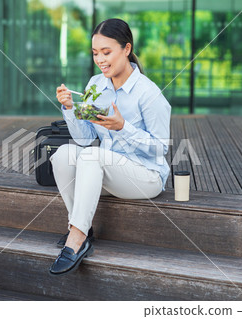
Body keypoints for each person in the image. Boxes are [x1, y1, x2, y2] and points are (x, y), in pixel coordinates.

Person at [49, 18, 171, 276]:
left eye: (107, 52)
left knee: (92, 156)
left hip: (146, 176)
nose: (100, 60)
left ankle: (76, 239)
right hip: (108, 172)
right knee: (64, 155)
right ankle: (82, 228)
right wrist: (70, 109)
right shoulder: (96, 85)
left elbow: (161, 149)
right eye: (95, 53)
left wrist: (122, 127)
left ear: (126, 49)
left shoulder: (149, 94)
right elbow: (84, 139)